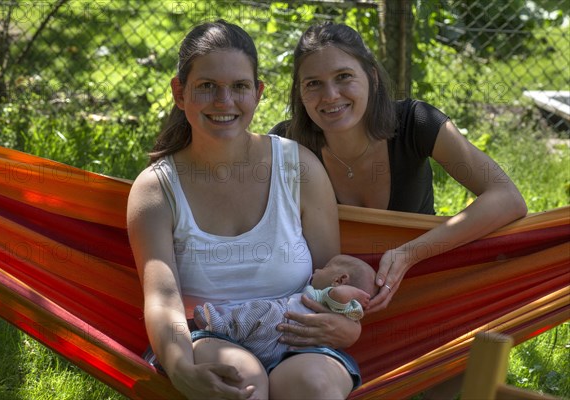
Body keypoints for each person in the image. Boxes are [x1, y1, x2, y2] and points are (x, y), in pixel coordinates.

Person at [271, 21, 528, 399]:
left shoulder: (415, 123)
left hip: (420, 302)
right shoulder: (287, 144)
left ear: (372, 77)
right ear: (300, 92)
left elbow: (507, 197)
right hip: (326, 315)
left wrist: (410, 252)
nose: (330, 95)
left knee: (458, 374)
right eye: (313, 84)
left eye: (344, 77)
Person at [127, 20, 362, 400]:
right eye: (207, 87)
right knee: (244, 384)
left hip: (299, 336)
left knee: (314, 387)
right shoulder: (157, 189)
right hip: (208, 339)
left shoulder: (297, 168)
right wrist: (181, 368)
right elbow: (162, 298)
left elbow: (330, 277)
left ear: (258, 93)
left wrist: (348, 325)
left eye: (239, 86)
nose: (225, 102)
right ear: (179, 92)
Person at [193, 254, 378, 369]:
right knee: (254, 317)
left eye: (325, 268)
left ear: (339, 279)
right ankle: (224, 321)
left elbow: (338, 295)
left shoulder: (326, 296)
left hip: (280, 322)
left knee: (262, 309)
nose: (317, 269)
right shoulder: (335, 312)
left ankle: (221, 327)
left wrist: (354, 294)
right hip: (278, 349)